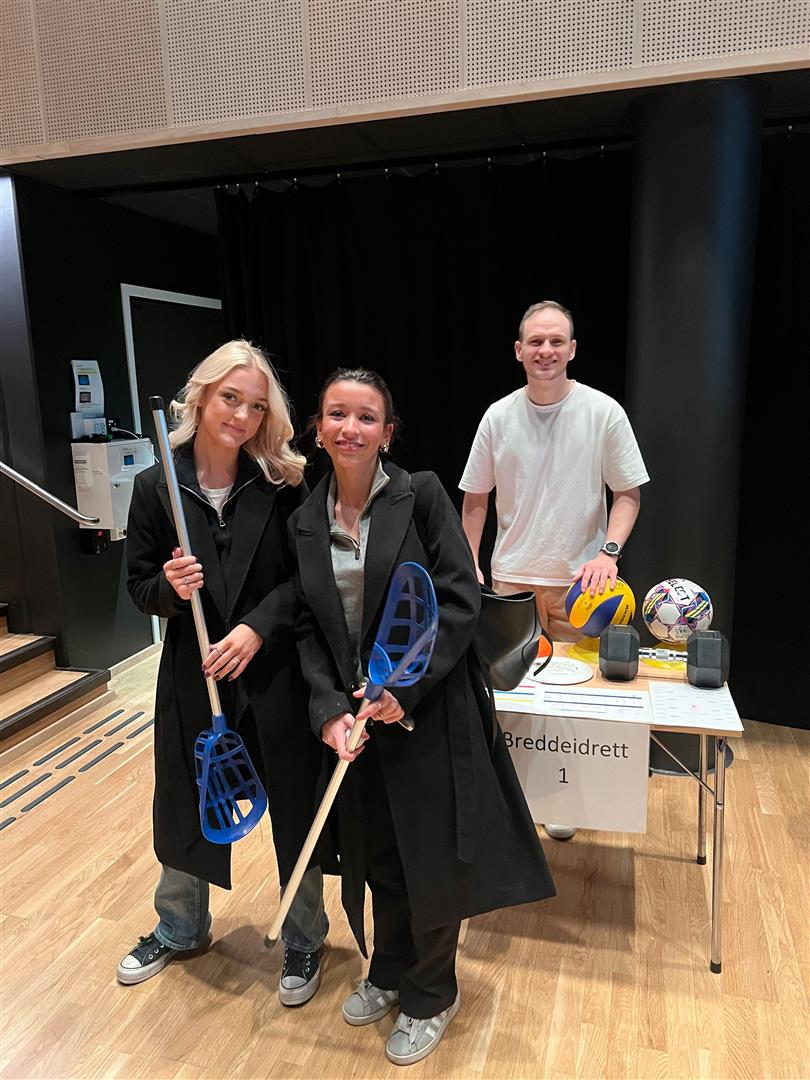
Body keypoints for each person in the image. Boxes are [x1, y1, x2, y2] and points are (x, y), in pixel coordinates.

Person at [288, 368, 555, 1066]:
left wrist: (405, 690)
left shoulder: (424, 495)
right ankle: (389, 970)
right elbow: (309, 629)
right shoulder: (304, 521)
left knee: (431, 860)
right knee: (379, 855)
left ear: (388, 432)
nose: (350, 428)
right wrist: (328, 710)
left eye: (365, 417)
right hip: (358, 722)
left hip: (428, 712)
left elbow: (460, 600)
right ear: (318, 429)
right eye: (336, 414)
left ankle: (432, 993)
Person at [120, 340, 328, 1006]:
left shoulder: (282, 483)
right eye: (230, 398)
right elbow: (140, 586)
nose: (241, 415)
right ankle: (180, 927)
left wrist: (256, 627)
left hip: (272, 673)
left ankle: (305, 935)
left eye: (255, 406)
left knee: (293, 806)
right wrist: (169, 587)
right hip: (195, 672)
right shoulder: (156, 486)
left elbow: (308, 579)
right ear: (202, 396)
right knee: (187, 799)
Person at [460, 300, 649, 840]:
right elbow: (475, 499)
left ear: (572, 349)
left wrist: (608, 553)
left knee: (576, 700)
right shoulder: (498, 416)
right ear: (519, 351)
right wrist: (469, 563)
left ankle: (565, 801)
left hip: (581, 587)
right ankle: (513, 800)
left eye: (556, 341)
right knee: (509, 699)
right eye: (536, 342)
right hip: (511, 582)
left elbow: (628, 494)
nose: (546, 350)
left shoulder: (603, 412)